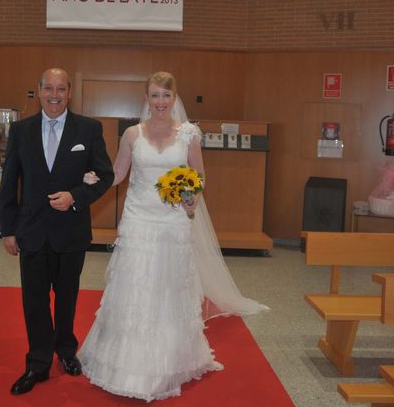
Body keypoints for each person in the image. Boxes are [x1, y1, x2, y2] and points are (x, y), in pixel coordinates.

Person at [78, 71, 269, 402]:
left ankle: (169, 359)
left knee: (167, 289)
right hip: (139, 220)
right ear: (147, 99)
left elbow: (198, 175)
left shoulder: (189, 135)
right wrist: (92, 181)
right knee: (135, 286)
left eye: (165, 96)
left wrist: (192, 194)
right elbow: (119, 174)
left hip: (172, 221)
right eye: (154, 96)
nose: (160, 102)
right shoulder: (132, 135)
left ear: (174, 98)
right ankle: (125, 361)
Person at [0, 68, 114, 395]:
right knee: (34, 301)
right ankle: (37, 362)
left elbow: (105, 176)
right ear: (38, 90)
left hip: (70, 232)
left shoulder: (89, 130)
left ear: (69, 93)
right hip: (31, 231)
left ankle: (65, 351)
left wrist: (75, 196)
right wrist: (8, 230)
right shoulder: (20, 130)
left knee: (67, 298)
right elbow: (10, 182)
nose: (54, 95)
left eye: (60, 89)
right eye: (48, 88)